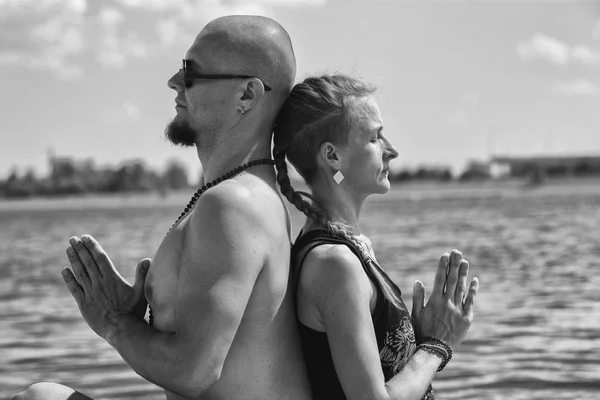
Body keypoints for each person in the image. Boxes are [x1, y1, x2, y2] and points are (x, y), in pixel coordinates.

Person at [13, 15, 312, 400]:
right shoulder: (244, 196)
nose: (174, 81)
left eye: (190, 72)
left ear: (247, 95)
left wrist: (115, 323)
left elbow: (193, 371)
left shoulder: (233, 204)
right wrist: (140, 323)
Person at [272, 74, 480, 400]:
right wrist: (437, 345)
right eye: (375, 137)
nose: (391, 151)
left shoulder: (343, 249)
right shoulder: (334, 263)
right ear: (332, 157)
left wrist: (416, 340)